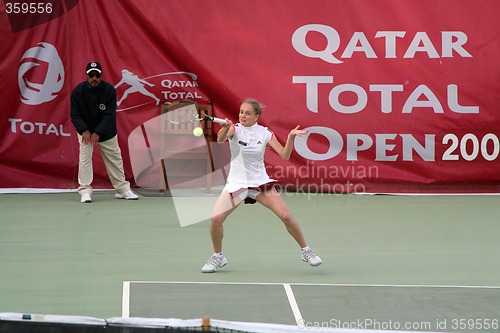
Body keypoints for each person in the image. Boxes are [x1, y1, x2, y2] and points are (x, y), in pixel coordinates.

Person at [201, 98, 322, 273]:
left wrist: (290, 137)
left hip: (259, 183)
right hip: (237, 184)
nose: (243, 115)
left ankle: (306, 251)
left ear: (257, 116)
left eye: (248, 113)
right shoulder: (234, 129)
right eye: (241, 112)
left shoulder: (265, 133)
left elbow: (285, 155)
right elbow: (220, 140)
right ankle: (218, 256)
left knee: (286, 216)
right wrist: (225, 128)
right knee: (216, 220)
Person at [70, 61, 138, 203]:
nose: (94, 78)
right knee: (85, 160)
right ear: (86, 76)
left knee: (115, 159)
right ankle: (85, 190)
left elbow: (109, 115)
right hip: (86, 133)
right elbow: (75, 114)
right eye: (91, 75)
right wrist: (85, 131)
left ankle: (122, 189)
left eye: (97, 75)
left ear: (100, 76)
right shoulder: (78, 91)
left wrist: (98, 132)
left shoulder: (109, 90)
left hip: (106, 132)